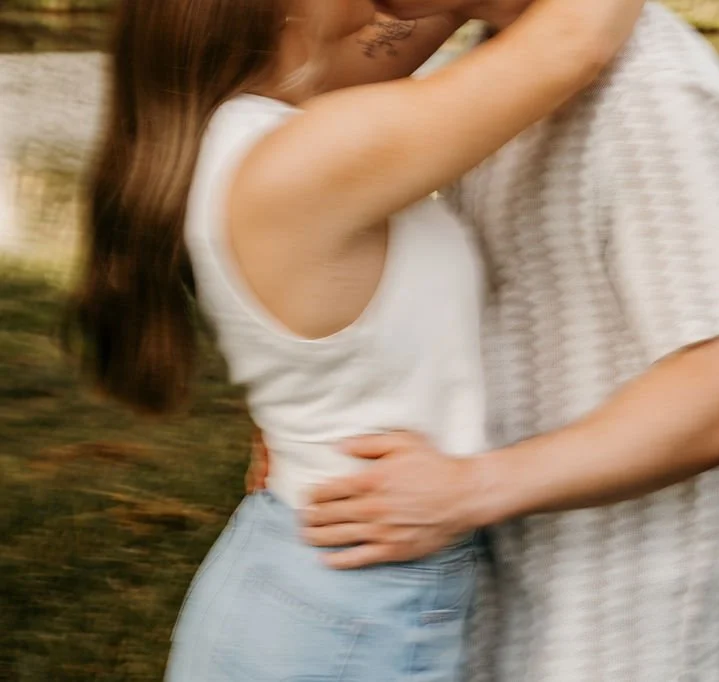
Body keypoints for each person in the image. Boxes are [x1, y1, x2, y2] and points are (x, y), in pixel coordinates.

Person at [65, 0, 648, 679]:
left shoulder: (255, 123)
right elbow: (573, 41)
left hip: (311, 579)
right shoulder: (304, 155)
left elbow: (436, 12)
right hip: (347, 613)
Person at [251, 1, 719, 680]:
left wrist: (468, 490)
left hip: (616, 629)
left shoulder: (656, 96)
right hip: (494, 592)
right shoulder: (496, 58)